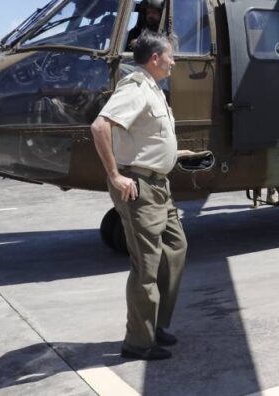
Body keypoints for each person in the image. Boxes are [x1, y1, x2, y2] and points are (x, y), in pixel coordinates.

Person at [91, 30, 190, 361]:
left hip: (159, 184)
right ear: (155, 58)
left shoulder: (154, 90)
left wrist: (177, 154)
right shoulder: (135, 87)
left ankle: (156, 325)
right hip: (139, 187)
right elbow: (100, 126)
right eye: (171, 56)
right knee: (146, 266)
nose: (174, 62)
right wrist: (116, 176)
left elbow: (147, 139)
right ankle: (138, 343)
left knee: (175, 248)